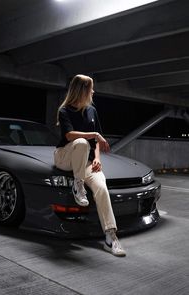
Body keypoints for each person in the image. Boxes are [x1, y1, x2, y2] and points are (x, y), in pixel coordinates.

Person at [54, 74, 126, 257]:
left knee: (102, 188)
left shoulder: (92, 110)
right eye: (91, 88)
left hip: (86, 160)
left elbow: (96, 144)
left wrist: (97, 159)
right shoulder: (64, 110)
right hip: (65, 156)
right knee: (81, 143)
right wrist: (93, 135)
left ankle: (111, 237)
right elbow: (70, 136)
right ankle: (78, 186)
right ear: (82, 90)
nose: (93, 91)